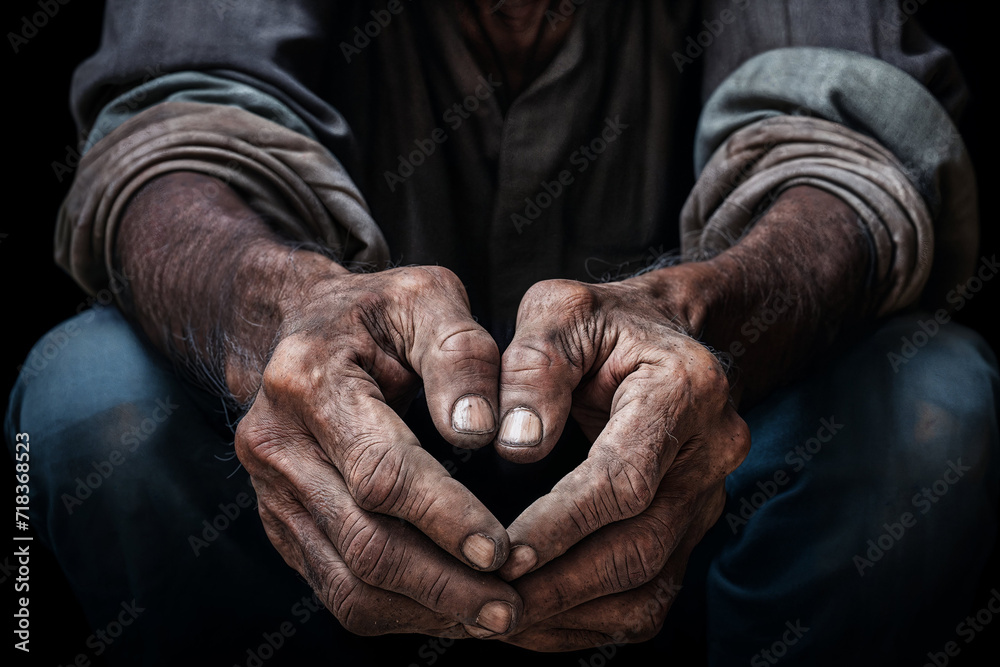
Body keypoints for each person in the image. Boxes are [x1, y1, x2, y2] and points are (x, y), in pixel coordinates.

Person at [7, 0, 998, 664]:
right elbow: (171, 133)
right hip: (309, 510)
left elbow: (845, 154)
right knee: (90, 396)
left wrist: (697, 316)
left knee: (927, 400)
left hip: (703, 493)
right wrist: (286, 305)